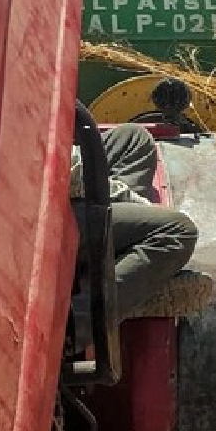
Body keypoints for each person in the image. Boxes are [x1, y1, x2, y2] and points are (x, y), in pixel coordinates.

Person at [70, 124, 199, 318]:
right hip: (46, 217)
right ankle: (83, 318)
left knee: (133, 139)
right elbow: (74, 180)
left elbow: (72, 167)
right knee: (180, 231)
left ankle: (120, 267)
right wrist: (141, 207)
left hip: (51, 191)